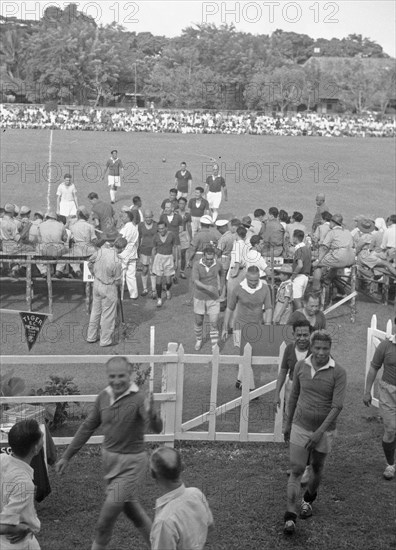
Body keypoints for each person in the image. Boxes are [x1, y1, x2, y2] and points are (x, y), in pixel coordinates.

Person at [56, 356, 163, 550]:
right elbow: (88, 426)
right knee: (133, 512)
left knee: (104, 522)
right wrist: (66, 456)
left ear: (130, 374)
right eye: (112, 376)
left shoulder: (138, 399)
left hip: (131, 466)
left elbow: (156, 429)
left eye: (121, 375)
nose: (116, 381)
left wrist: (153, 414)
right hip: (110, 464)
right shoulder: (103, 397)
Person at [283, 330, 347, 535]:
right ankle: (290, 516)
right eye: (317, 348)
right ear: (311, 347)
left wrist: (319, 432)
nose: (321, 352)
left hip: (324, 431)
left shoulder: (338, 372)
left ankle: (309, 499)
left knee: (317, 467)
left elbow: (337, 407)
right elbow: (294, 396)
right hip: (300, 426)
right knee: (296, 469)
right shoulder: (301, 366)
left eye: (325, 348)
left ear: (330, 349)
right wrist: (287, 423)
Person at [150, 446, 214, 550]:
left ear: (153, 474)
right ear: (182, 467)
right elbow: (210, 525)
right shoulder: (197, 494)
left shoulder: (165, 521)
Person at [222, 266, 272, 389]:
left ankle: (239, 380)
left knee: (248, 356)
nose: (254, 283)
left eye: (256, 280)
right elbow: (229, 308)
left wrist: (268, 326)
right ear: (246, 278)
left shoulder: (265, 288)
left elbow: (269, 308)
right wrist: (224, 327)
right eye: (251, 281)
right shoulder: (238, 289)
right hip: (240, 326)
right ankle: (251, 387)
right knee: (245, 356)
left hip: (256, 327)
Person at [0, 419, 44, 550]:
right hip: (17, 544)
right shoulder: (23, 483)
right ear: (35, 448)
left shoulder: (2, 459)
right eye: (41, 435)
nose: (43, 436)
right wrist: (21, 529)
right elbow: (4, 525)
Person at [363, 314, 396, 480]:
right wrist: (367, 391)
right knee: (390, 429)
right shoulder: (385, 346)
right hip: (388, 393)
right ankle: (391, 464)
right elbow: (373, 369)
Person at [86, 232, 125, 346]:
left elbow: (89, 262)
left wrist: (94, 272)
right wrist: (118, 283)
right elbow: (117, 281)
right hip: (109, 287)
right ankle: (105, 340)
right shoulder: (117, 262)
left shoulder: (101, 251)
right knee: (108, 314)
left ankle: (91, 336)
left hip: (97, 284)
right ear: (122, 249)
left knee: (95, 311)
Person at [273, 319, 312, 418]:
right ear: (293, 334)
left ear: (310, 334)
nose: (302, 338)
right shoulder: (289, 349)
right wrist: (277, 394)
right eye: (299, 335)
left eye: (305, 335)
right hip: (291, 390)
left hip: (311, 391)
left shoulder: (316, 350)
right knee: (291, 419)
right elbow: (282, 372)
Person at [312, 214, 355, 293]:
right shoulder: (347, 232)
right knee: (333, 265)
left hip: (339, 257)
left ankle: (315, 288)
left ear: (332, 222)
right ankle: (327, 280)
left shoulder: (332, 232)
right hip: (351, 258)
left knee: (317, 265)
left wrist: (318, 260)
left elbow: (324, 248)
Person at [192, 245, 224, 351]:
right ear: (203, 257)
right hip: (200, 296)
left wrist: (221, 286)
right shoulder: (197, 265)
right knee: (199, 321)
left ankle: (214, 345)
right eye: (207, 259)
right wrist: (207, 287)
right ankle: (199, 340)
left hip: (213, 298)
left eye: (211, 259)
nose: (209, 261)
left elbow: (222, 273)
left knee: (214, 322)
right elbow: (195, 280)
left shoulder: (218, 264)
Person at [151, 221, 177, 308]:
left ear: (166, 228)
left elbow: (174, 247)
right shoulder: (155, 237)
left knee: (169, 280)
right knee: (159, 278)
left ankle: (167, 288)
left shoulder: (171, 235)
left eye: (162, 228)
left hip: (169, 258)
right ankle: (159, 298)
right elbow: (154, 249)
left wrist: (175, 259)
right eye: (159, 229)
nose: (161, 230)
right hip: (159, 258)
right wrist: (152, 261)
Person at [35, 211, 68, 278]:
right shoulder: (61, 225)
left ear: (47, 218)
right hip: (57, 249)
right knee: (65, 252)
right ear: (55, 218)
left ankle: (43, 271)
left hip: (45, 249)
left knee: (36, 254)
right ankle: (59, 270)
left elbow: (39, 240)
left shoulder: (41, 225)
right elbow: (65, 239)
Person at [119, 210, 139, 300]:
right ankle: (134, 294)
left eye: (123, 217)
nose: (122, 218)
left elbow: (121, 239)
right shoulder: (134, 228)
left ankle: (121, 295)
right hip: (133, 253)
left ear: (128, 218)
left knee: (122, 274)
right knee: (131, 275)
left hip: (125, 253)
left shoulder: (126, 228)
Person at [138, 210, 158, 297]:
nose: (148, 219)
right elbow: (139, 237)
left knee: (153, 270)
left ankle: (153, 290)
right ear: (144, 217)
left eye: (150, 217)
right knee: (145, 269)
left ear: (152, 216)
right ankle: (145, 288)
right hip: (144, 250)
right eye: (146, 217)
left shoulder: (156, 225)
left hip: (154, 250)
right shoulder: (141, 225)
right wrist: (138, 249)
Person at [291, 229, 312, 310]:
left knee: (297, 300)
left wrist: (293, 275)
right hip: (306, 276)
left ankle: (302, 318)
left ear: (295, 238)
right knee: (300, 300)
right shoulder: (307, 249)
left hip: (299, 277)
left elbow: (300, 265)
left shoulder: (299, 250)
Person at [177, 197, 192, 279]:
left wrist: (191, 236)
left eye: (183, 203)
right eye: (180, 203)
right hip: (176, 234)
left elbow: (189, 226)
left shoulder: (188, 214)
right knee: (174, 254)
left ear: (185, 204)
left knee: (183, 253)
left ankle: (182, 271)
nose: (181, 205)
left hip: (183, 234)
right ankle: (173, 272)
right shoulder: (175, 213)